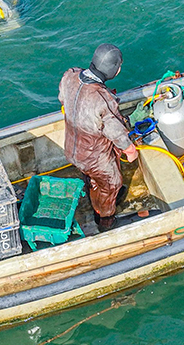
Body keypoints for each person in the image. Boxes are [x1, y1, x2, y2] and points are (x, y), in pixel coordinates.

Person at [58, 44, 138, 231]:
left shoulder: (70, 76)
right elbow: (116, 131)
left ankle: (95, 195)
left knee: (91, 176)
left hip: (72, 149)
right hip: (94, 157)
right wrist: (130, 149)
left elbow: (63, 98)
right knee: (112, 182)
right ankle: (106, 222)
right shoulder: (101, 98)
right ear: (113, 70)